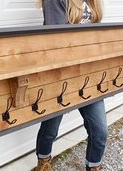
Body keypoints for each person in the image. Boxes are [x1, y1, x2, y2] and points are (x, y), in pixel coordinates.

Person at [35, 0, 108, 171]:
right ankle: (43, 163)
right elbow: (56, 40)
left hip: (87, 75)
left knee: (100, 131)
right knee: (50, 130)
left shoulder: (93, 1)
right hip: (61, 76)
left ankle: (94, 167)